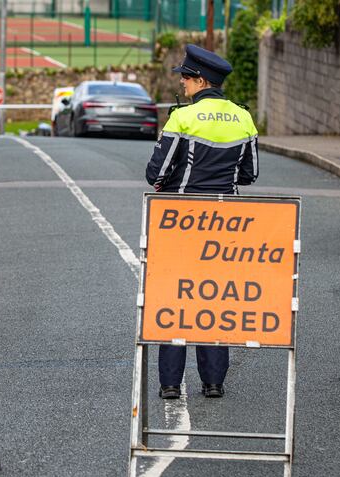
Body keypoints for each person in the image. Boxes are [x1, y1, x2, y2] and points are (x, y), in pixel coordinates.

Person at [145, 44, 259, 400]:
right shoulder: (244, 117)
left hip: (182, 220)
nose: (182, 84)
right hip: (226, 224)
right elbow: (250, 174)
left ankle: (169, 384)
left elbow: (156, 173)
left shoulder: (182, 117)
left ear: (200, 80)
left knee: (176, 296)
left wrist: (173, 177)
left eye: (185, 78)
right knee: (215, 298)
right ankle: (213, 382)